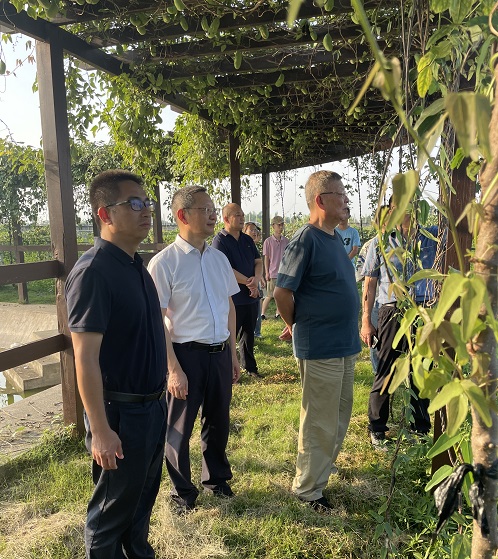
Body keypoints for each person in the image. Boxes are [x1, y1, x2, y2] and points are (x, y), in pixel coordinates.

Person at [65, 169, 167, 559]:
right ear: (105, 214)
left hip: (152, 406)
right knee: (110, 513)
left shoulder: (136, 264)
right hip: (120, 414)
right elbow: (85, 358)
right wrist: (101, 431)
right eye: (135, 203)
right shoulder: (94, 272)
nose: (146, 211)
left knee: (140, 503)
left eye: (147, 203)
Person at [148, 186, 240, 513]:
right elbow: (156, 320)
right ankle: (182, 493)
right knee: (179, 428)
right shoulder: (164, 263)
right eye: (205, 209)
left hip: (219, 353)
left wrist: (232, 352)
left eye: (214, 209)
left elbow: (229, 306)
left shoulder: (219, 259)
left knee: (218, 421)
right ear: (183, 216)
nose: (213, 215)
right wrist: (173, 368)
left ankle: (216, 481)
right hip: (185, 356)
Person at [274, 170, 361, 511]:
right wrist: (294, 324)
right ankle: (308, 490)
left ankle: (321, 468)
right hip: (321, 344)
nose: (346, 200)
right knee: (319, 420)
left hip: (344, 343)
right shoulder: (305, 240)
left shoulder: (334, 238)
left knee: (338, 416)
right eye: (341, 194)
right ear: (321, 200)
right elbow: (282, 292)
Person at [360, 201, 441, 450]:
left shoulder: (432, 236)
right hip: (392, 310)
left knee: (421, 370)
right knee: (387, 368)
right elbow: (370, 284)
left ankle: (421, 429)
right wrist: (366, 320)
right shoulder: (381, 242)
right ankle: (377, 428)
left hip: (423, 308)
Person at [212, 204, 263, 378]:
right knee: (230, 336)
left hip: (251, 296)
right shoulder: (220, 241)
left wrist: (256, 279)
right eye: (237, 215)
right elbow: (225, 269)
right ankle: (227, 369)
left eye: (242, 215)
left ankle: (250, 368)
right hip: (233, 298)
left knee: (249, 335)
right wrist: (250, 283)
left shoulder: (247, 239)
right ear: (226, 219)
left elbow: (258, 261)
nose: (242, 218)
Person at [355, 205, 389, 374]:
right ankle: (379, 376)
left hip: (391, 304)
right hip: (375, 303)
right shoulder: (371, 246)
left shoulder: (401, 243)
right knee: (377, 344)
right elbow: (363, 278)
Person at [261, 215, 289, 320]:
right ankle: (262, 313)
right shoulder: (268, 241)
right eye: (279, 225)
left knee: (280, 295)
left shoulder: (286, 241)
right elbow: (266, 258)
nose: (281, 227)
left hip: (283, 272)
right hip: (272, 272)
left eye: (282, 225)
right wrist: (267, 272)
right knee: (269, 295)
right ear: (273, 226)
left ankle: (278, 313)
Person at [243, 221, 265, 338]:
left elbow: (258, 263)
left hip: (255, 282)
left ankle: (257, 332)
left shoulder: (253, 246)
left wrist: (259, 278)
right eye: (251, 230)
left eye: (255, 230)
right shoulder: (242, 246)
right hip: (246, 283)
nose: (254, 232)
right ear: (244, 231)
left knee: (257, 306)